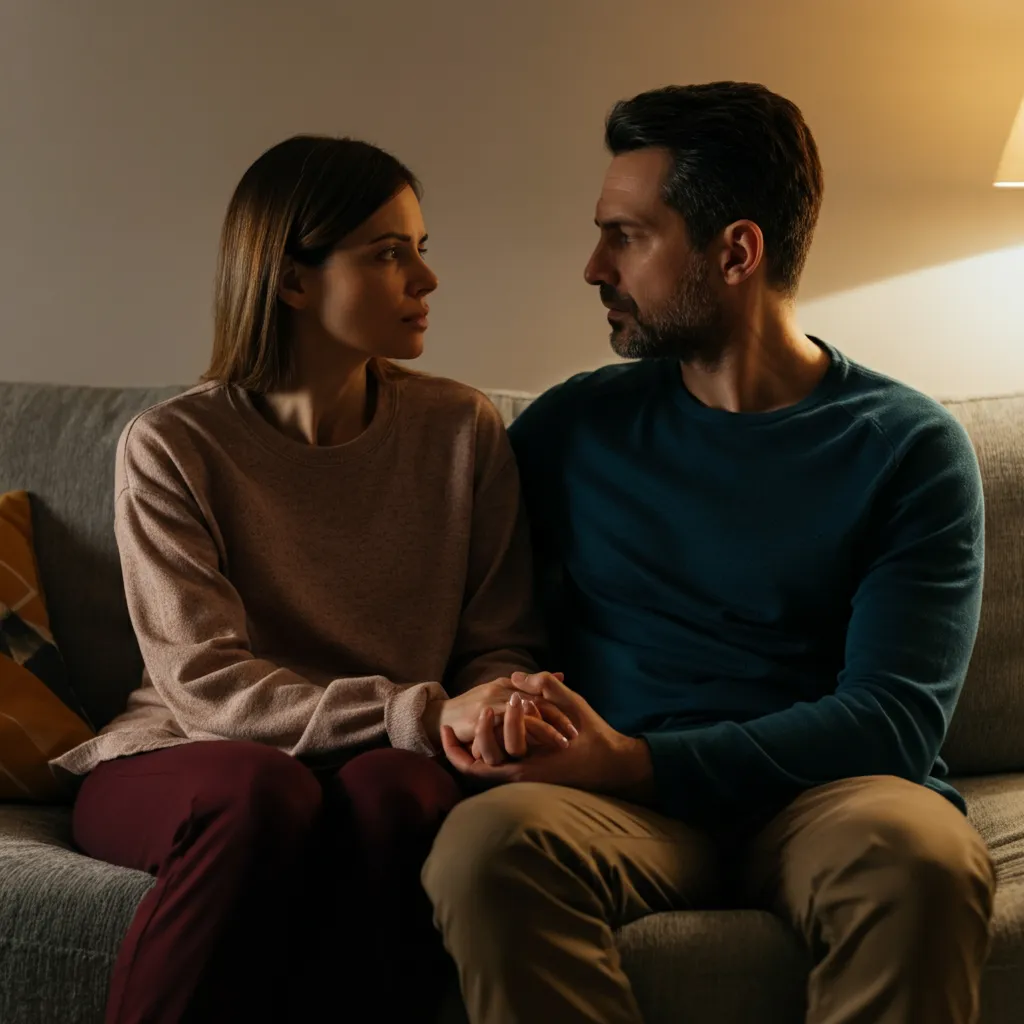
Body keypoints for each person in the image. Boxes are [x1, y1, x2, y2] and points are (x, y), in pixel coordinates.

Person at [424, 82, 997, 1024]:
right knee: (484, 847)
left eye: (627, 235)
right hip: (618, 815)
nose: (593, 266)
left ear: (735, 250)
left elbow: (894, 722)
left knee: (922, 857)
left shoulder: (906, 446)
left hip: (829, 798)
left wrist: (635, 760)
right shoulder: (575, 427)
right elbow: (463, 604)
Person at [51, 135, 573, 1024]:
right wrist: (418, 711)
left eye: (421, 247)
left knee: (399, 794)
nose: (426, 279)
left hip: (386, 759)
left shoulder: (459, 429)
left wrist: (499, 708)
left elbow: (497, 638)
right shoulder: (175, 444)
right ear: (291, 279)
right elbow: (204, 685)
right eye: (387, 253)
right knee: (264, 792)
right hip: (187, 755)